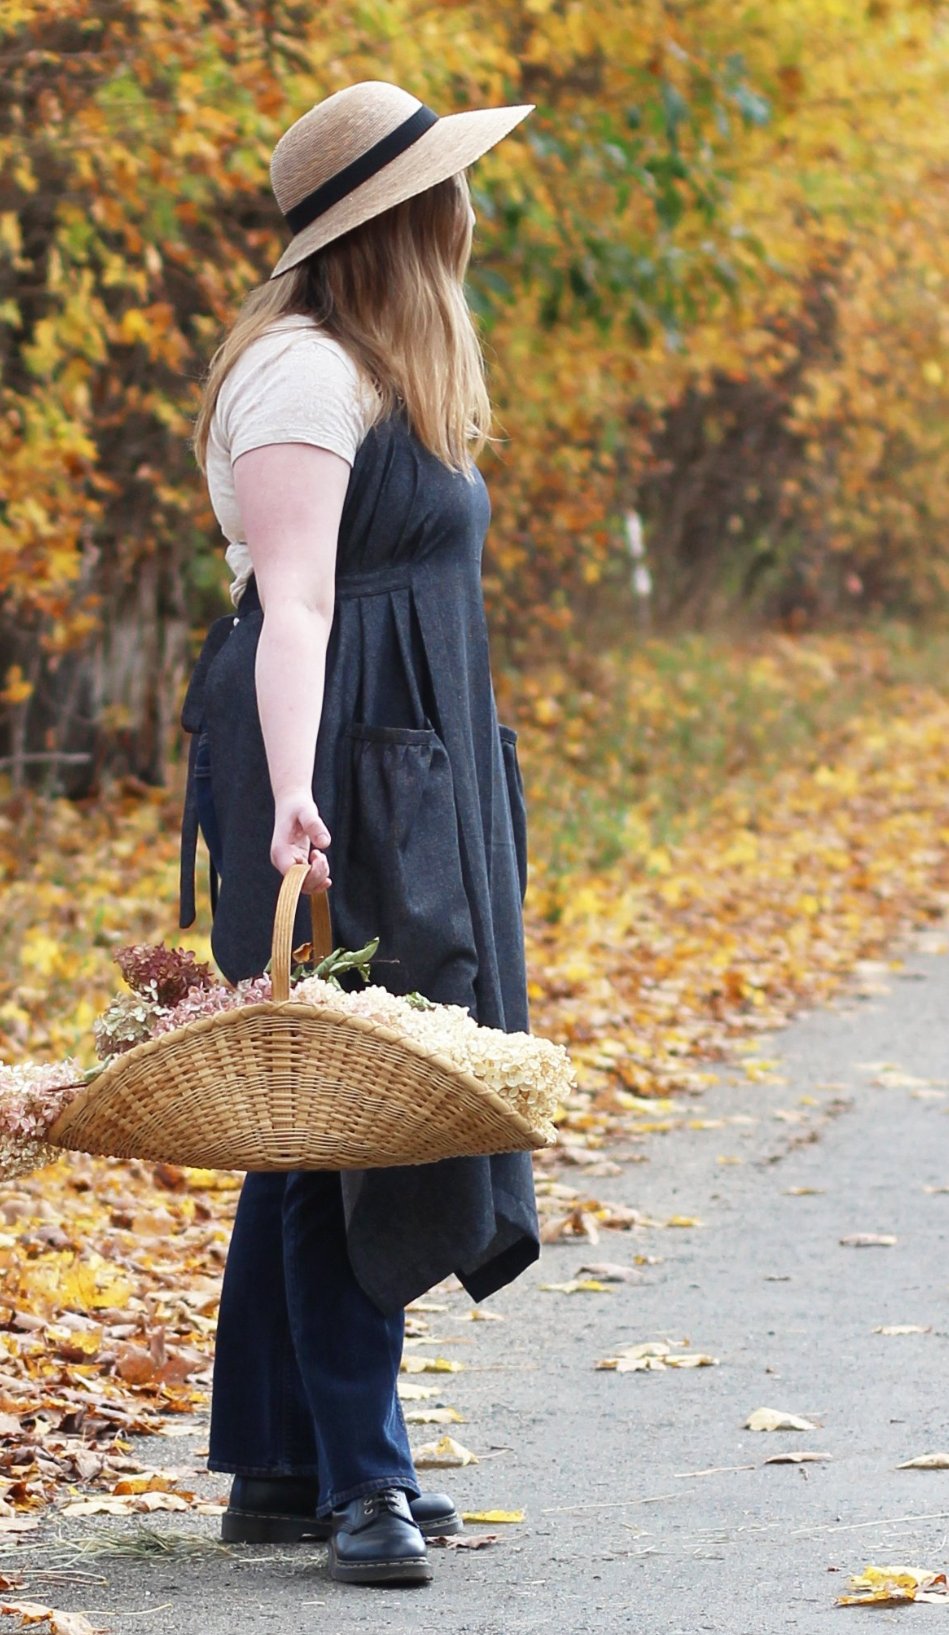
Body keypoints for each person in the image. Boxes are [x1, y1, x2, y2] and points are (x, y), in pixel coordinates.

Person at [179, 80, 539, 1588]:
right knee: (353, 1112)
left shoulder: (389, 369)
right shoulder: (304, 379)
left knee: (325, 1105)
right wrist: (295, 796)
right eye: (450, 189)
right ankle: (362, 1480)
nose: (469, 209)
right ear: (402, 220)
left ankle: (282, 1464)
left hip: (413, 757)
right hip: (328, 762)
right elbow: (297, 606)